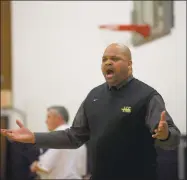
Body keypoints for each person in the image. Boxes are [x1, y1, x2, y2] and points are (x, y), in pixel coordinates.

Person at [1, 43, 181, 180]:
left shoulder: (147, 96)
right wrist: (34, 137)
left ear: (129, 64)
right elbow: (73, 136)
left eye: (115, 58)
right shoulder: (94, 96)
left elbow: (172, 140)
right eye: (104, 59)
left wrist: (164, 134)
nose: (108, 62)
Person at [29, 106, 87, 179]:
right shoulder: (78, 137)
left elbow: (45, 167)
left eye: (48, 117)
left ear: (58, 118)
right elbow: (83, 171)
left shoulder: (57, 137)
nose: (46, 121)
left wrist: (35, 165)